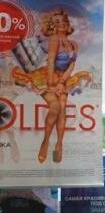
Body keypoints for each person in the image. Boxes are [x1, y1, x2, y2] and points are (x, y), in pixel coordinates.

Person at [11, 9, 92, 164]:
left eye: (62, 20)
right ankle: (46, 141)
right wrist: (51, 85)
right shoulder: (54, 39)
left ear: (66, 22)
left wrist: (62, 82)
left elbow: (71, 66)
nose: (60, 23)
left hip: (63, 79)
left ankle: (59, 144)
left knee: (62, 108)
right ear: (52, 25)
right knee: (55, 106)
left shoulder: (74, 44)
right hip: (47, 77)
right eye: (56, 22)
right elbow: (50, 62)